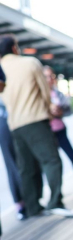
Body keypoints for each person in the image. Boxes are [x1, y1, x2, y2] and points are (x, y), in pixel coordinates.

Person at [0, 34, 73, 218]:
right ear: (15, 48)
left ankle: (33, 206)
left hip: (14, 124)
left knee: (26, 167)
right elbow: (44, 92)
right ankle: (55, 201)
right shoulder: (30, 63)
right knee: (51, 160)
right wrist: (49, 112)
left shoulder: (1, 68)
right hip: (35, 119)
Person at [43, 66, 73, 190]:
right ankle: (56, 192)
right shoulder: (40, 94)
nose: (49, 79)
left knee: (72, 157)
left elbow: (67, 109)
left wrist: (59, 112)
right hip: (48, 134)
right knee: (54, 164)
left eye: (51, 76)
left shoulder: (57, 92)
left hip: (60, 130)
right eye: (46, 76)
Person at [0, 61, 25, 219]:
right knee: (12, 163)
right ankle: (21, 203)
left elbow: (3, 85)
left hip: (5, 118)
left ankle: (22, 203)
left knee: (15, 162)